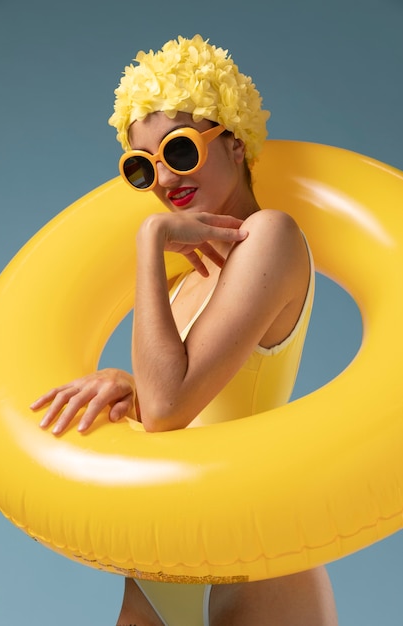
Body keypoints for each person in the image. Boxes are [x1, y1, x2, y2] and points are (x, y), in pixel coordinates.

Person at [31, 35, 338, 626]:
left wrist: (148, 242)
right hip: (159, 562)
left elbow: (171, 406)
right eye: (143, 166)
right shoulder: (181, 285)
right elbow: (170, 403)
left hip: (250, 552)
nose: (166, 179)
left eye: (179, 150)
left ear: (236, 142)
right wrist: (130, 385)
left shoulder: (269, 236)